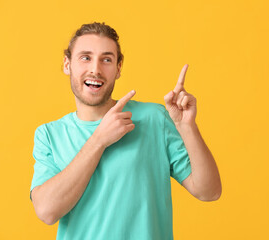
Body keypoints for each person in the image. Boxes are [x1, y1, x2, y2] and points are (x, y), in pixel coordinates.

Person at [30, 22, 221, 240]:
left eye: (107, 59)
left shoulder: (153, 119)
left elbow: (209, 191)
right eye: (85, 57)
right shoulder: (49, 135)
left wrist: (187, 127)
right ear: (67, 64)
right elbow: (46, 211)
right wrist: (99, 139)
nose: (95, 69)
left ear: (119, 68)